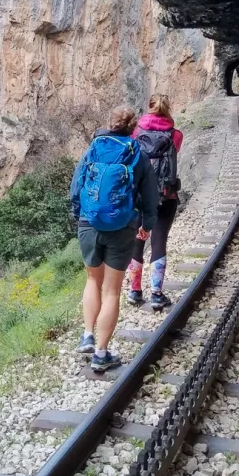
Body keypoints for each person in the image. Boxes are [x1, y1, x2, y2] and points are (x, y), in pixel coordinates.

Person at [70, 106, 159, 372]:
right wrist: (147, 225)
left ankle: (87, 335)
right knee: (111, 291)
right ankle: (101, 353)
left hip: (89, 222)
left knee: (92, 280)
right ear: (133, 127)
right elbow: (150, 196)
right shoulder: (137, 154)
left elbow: (76, 187)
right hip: (122, 226)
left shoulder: (94, 148)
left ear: (110, 124)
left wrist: (80, 214)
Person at [126, 94, 184, 310]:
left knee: (137, 241)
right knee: (159, 242)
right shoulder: (175, 135)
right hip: (165, 197)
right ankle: (156, 294)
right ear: (168, 109)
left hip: (139, 198)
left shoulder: (135, 133)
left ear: (148, 108)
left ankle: (134, 291)